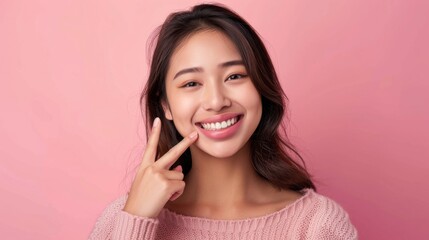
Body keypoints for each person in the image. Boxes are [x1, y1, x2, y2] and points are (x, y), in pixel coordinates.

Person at [89, 3, 357, 239]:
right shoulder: (121, 219)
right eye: (191, 83)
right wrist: (136, 219)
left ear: (262, 87)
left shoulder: (316, 225)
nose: (216, 101)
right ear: (165, 105)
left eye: (234, 76)